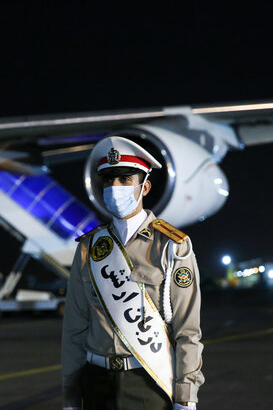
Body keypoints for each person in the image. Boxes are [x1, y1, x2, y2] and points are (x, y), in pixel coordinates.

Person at [62, 136, 204, 410]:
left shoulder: (171, 245)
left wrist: (186, 396)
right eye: (109, 180)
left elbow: (187, 330)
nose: (114, 187)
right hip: (96, 382)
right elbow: (74, 330)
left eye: (125, 180)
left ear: (145, 187)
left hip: (148, 380)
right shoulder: (88, 248)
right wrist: (71, 397)